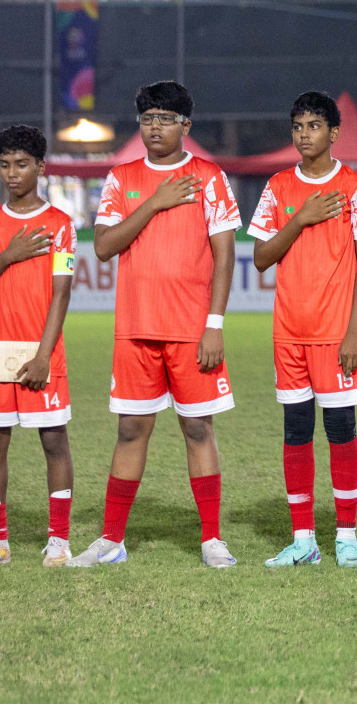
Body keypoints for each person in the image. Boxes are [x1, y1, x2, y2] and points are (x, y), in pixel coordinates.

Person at [68, 81, 242, 568]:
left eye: (165, 118)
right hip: (136, 327)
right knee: (130, 431)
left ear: (186, 125)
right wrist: (156, 201)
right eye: (147, 118)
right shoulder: (121, 178)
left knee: (198, 429)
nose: (154, 127)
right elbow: (103, 246)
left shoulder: (209, 176)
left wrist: (214, 323)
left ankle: (211, 540)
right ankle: (111, 541)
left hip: (192, 329)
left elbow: (225, 255)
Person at [249, 92, 357, 570]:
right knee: (296, 432)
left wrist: (353, 331)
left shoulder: (356, 187)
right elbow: (262, 257)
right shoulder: (279, 187)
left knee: (341, 429)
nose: (304, 134)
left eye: (314, 126)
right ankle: (304, 539)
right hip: (289, 333)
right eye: (298, 126)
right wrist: (300, 218)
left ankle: (347, 536)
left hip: (335, 334)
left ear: (334, 133)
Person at [0, 126, 76, 567]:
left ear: (40, 167)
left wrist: (44, 355)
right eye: (5, 164)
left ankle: (59, 541)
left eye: (21, 164)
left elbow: (61, 293)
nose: (12, 173)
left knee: (53, 442)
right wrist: (6, 255)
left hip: (41, 351)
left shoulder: (61, 226)